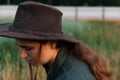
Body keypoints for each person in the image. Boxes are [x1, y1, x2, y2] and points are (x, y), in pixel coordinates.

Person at [0, 1, 112, 80]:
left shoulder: (71, 76)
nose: (22, 55)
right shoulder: (64, 61)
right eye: (19, 46)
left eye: (28, 48)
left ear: (53, 43)